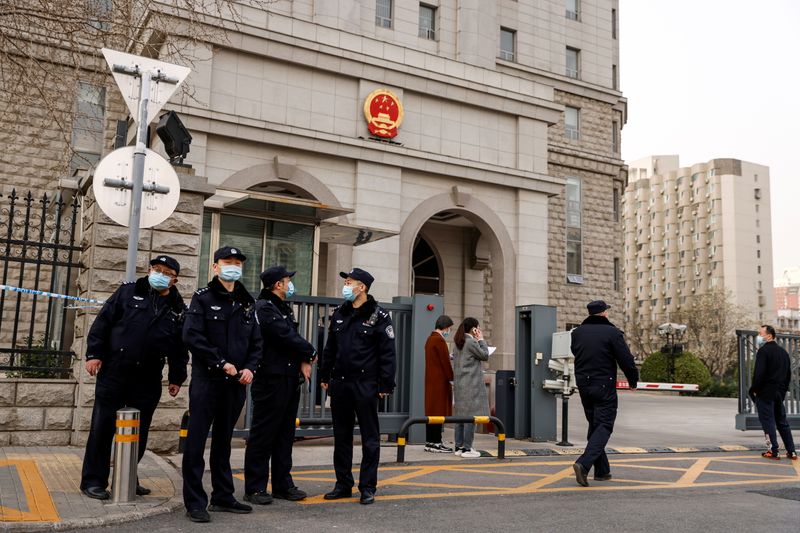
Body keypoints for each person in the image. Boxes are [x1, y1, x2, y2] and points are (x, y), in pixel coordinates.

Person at [80, 256, 188, 500]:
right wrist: (94, 354)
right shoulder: (128, 293)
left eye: (166, 271)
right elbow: (102, 323)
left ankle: (127, 476)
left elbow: (179, 347)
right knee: (102, 428)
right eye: (156, 269)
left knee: (138, 432)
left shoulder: (179, 308)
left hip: (148, 377)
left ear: (175, 279)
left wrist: (176, 377)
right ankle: (93, 481)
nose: (159, 273)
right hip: (115, 372)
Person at [181, 246, 263, 523]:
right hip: (208, 380)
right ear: (215, 266)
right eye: (227, 262)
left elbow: (256, 342)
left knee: (224, 441)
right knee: (195, 442)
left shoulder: (247, 301)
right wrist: (220, 362)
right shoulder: (202, 298)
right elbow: (192, 336)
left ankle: (223, 496)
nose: (233, 266)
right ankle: (195, 502)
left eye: (237, 262)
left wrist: (251, 367)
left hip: (236, 383)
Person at [319, 268, 397, 505]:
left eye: (349, 281)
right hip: (341, 383)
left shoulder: (379, 315)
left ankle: (367, 486)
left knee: (369, 438)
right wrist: (324, 374)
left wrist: (385, 383)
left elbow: (388, 353)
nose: (345, 284)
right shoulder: (339, 314)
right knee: (341, 437)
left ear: (361, 287)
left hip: (366, 384)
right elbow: (330, 347)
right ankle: (343, 484)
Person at [243, 266, 317, 504]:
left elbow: (289, 342)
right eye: (287, 281)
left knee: (285, 435)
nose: (289, 285)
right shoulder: (264, 308)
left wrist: (304, 359)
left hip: (287, 378)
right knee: (264, 434)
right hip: (270, 379)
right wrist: (311, 351)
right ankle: (255, 487)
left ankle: (282, 485)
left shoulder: (282, 307)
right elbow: (285, 336)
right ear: (278, 285)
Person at [570, 300, 639, 487]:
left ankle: (602, 471)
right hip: (604, 386)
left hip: (584, 385)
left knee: (595, 425)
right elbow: (626, 359)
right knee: (605, 425)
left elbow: (576, 352)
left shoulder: (577, 334)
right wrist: (633, 380)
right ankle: (583, 464)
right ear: (603, 313)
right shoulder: (612, 333)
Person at [749, 325, 797, 460]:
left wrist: (754, 390)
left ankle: (773, 451)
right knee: (782, 421)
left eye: (760, 333)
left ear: (769, 336)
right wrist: (781, 392)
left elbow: (759, 374)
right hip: (778, 393)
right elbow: (788, 375)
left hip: (765, 393)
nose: (758, 336)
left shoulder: (763, 352)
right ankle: (791, 451)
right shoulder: (783, 353)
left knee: (767, 421)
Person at [452, 317, 489, 459]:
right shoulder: (471, 342)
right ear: (474, 329)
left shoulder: (458, 343)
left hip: (460, 385)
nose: (479, 330)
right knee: (470, 418)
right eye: (477, 328)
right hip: (471, 385)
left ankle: (459, 446)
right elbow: (485, 355)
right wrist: (481, 339)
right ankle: (468, 448)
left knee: (460, 417)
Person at [425, 315, 455, 453]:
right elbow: (445, 363)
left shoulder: (430, 339)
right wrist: (452, 378)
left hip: (431, 381)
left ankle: (430, 442)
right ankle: (437, 442)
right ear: (445, 327)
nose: (449, 331)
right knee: (438, 412)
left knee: (431, 413)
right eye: (449, 328)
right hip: (440, 382)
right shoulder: (440, 340)